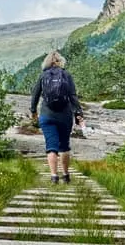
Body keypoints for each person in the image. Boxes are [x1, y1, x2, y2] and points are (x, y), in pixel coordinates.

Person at [30, 50, 84, 184]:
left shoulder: (43, 76)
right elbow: (73, 96)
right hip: (65, 116)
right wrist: (78, 114)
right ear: (61, 61)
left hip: (47, 115)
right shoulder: (67, 75)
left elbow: (35, 95)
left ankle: (54, 176)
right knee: (64, 146)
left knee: (51, 146)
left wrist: (33, 112)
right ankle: (65, 175)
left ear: (46, 62)